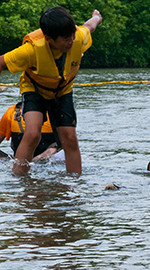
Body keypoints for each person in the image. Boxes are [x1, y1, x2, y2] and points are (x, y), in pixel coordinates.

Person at [0, 6, 102, 176]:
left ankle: (75, 182)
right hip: (35, 90)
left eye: (72, 36)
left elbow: (90, 26)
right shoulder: (30, 50)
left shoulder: (78, 37)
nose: (71, 41)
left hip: (62, 91)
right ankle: (18, 179)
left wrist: (97, 17)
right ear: (49, 39)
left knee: (69, 138)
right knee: (32, 133)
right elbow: (2, 62)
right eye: (65, 39)